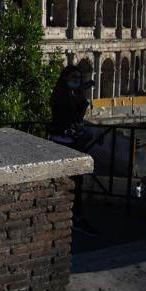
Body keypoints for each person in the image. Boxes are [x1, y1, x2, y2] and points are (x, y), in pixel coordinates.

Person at [49, 64, 98, 237]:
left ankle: (70, 215)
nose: (77, 81)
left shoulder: (63, 93)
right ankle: (76, 218)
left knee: (72, 181)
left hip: (61, 140)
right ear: (65, 78)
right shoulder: (64, 95)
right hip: (65, 142)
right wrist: (83, 99)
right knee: (75, 182)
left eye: (79, 78)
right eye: (74, 78)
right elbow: (76, 118)